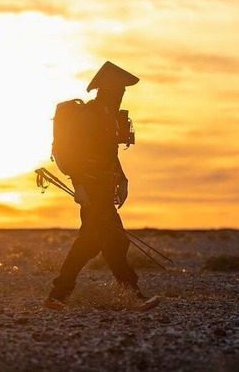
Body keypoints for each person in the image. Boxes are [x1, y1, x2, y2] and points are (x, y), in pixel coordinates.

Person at [43, 61, 160, 311]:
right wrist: (80, 186)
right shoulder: (91, 115)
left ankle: (61, 295)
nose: (121, 94)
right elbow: (75, 153)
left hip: (104, 187)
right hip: (92, 187)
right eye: (119, 89)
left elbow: (110, 155)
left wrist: (123, 181)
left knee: (112, 242)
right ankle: (60, 295)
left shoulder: (107, 116)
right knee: (92, 242)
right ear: (106, 89)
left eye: (123, 90)